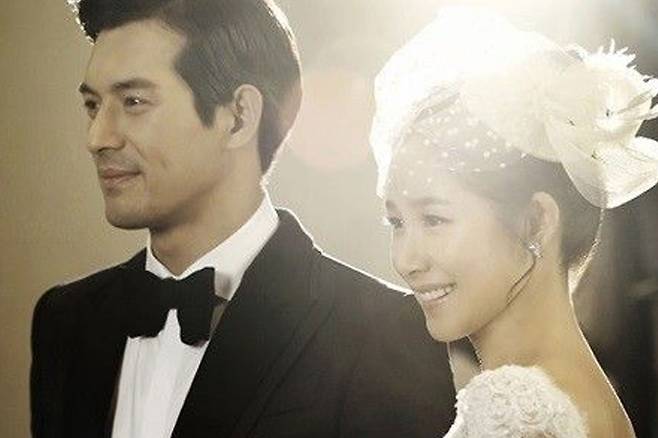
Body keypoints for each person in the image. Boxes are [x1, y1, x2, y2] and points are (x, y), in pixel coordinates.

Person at [29, 1, 457, 437]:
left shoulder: (378, 332)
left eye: (133, 102)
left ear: (238, 117)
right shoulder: (64, 321)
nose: (97, 137)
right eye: (92, 105)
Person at [370, 7, 658, 437]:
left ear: (536, 221)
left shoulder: (517, 412)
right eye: (396, 222)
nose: (406, 261)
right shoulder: (584, 397)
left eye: (433, 219)